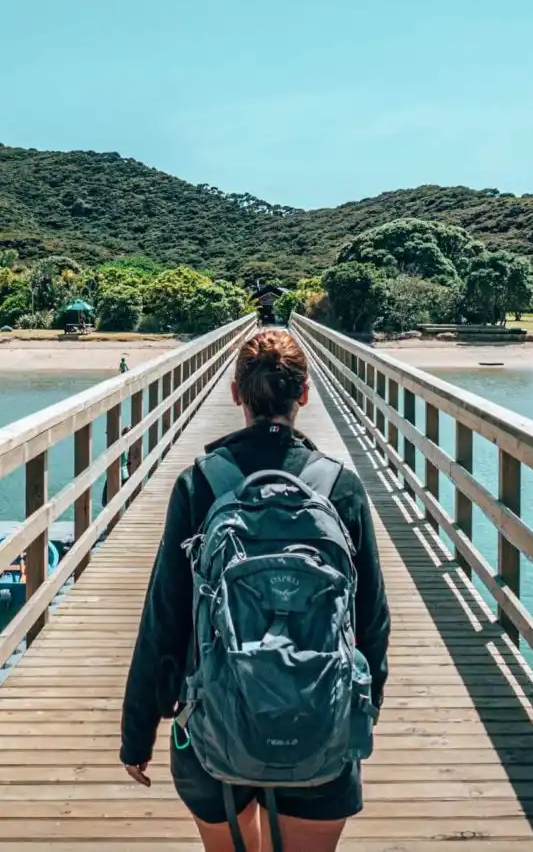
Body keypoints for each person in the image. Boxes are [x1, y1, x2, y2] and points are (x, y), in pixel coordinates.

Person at [120, 330, 390, 852]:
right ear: (304, 393)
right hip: (320, 719)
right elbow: (371, 620)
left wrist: (138, 732)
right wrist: (360, 709)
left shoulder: (201, 483)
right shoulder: (340, 488)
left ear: (236, 394)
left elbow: (164, 620)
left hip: (214, 723)